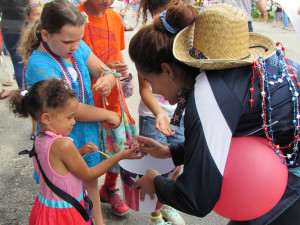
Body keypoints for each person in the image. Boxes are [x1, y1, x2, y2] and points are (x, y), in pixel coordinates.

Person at [128, 3, 300, 225]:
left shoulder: (208, 94)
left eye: (150, 81)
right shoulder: (231, 74)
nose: (152, 90)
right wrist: (172, 152)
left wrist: (156, 183)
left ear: (168, 70)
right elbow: (219, 141)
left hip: (289, 182)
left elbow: (196, 199)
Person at [18, 1, 121, 224]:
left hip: (83, 128)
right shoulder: (39, 65)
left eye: (79, 39)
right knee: (68, 183)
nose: (75, 46)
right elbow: (71, 110)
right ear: (45, 35)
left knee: (90, 180)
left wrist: (108, 79)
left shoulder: (75, 46)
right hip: (62, 132)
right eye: (67, 41)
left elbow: (102, 68)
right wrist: (109, 115)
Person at [8, 78, 143, 225]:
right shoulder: (63, 145)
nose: (73, 122)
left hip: (45, 209)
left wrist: (81, 152)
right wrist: (120, 155)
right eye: (69, 117)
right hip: (64, 214)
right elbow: (89, 174)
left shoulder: (41, 138)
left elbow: (56, 164)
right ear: (46, 118)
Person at [136, 0, 195, 224]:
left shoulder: (181, 46)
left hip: (178, 115)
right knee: (153, 164)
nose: (164, 23)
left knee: (174, 161)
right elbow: (145, 89)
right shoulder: (147, 44)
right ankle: (155, 213)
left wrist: (176, 116)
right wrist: (160, 113)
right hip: (154, 116)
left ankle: (167, 201)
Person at [78, 0, 136, 217]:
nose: (108, 1)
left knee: (118, 142)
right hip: (85, 97)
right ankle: (83, 192)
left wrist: (120, 72)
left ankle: (108, 189)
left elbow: (118, 54)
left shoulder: (115, 17)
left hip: (112, 92)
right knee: (88, 146)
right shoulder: (75, 17)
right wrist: (103, 71)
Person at [21, 2, 43, 140]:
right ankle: (35, 129)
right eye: (36, 14)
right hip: (33, 73)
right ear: (28, 17)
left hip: (39, 71)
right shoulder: (29, 33)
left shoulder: (42, 28)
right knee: (36, 102)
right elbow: (26, 56)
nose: (39, 17)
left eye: (41, 14)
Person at [0, 0, 26, 88]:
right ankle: (26, 92)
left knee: (18, 63)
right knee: (25, 62)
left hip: (7, 30)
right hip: (24, 29)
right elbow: (34, 8)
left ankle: (22, 91)